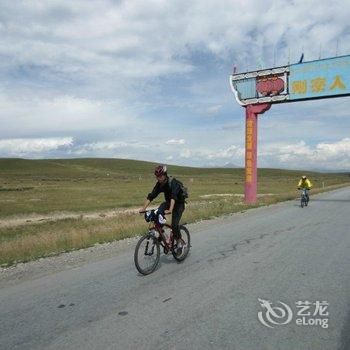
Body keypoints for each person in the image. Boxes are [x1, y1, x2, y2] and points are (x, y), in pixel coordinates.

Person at [139, 165, 185, 239]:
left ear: (165, 175)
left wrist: (170, 210)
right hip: (168, 203)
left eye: (160, 176)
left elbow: (173, 197)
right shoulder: (159, 184)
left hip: (179, 204)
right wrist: (143, 208)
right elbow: (151, 196)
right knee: (158, 213)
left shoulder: (173, 182)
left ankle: (179, 241)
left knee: (174, 225)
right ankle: (162, 235)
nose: (159, 178)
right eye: (157, 176)